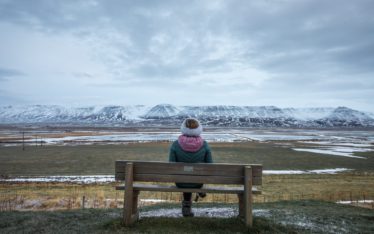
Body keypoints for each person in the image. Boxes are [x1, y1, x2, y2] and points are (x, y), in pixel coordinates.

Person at [169, 118, 213, 217]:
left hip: (181, 181)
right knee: (194, 179)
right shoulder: (205, 145)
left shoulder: (175, 145)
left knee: (185, 179)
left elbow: (171, 165)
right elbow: (210, 166)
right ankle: (200, 190)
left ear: (183, 128)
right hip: (198, 180)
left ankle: (186, 208)